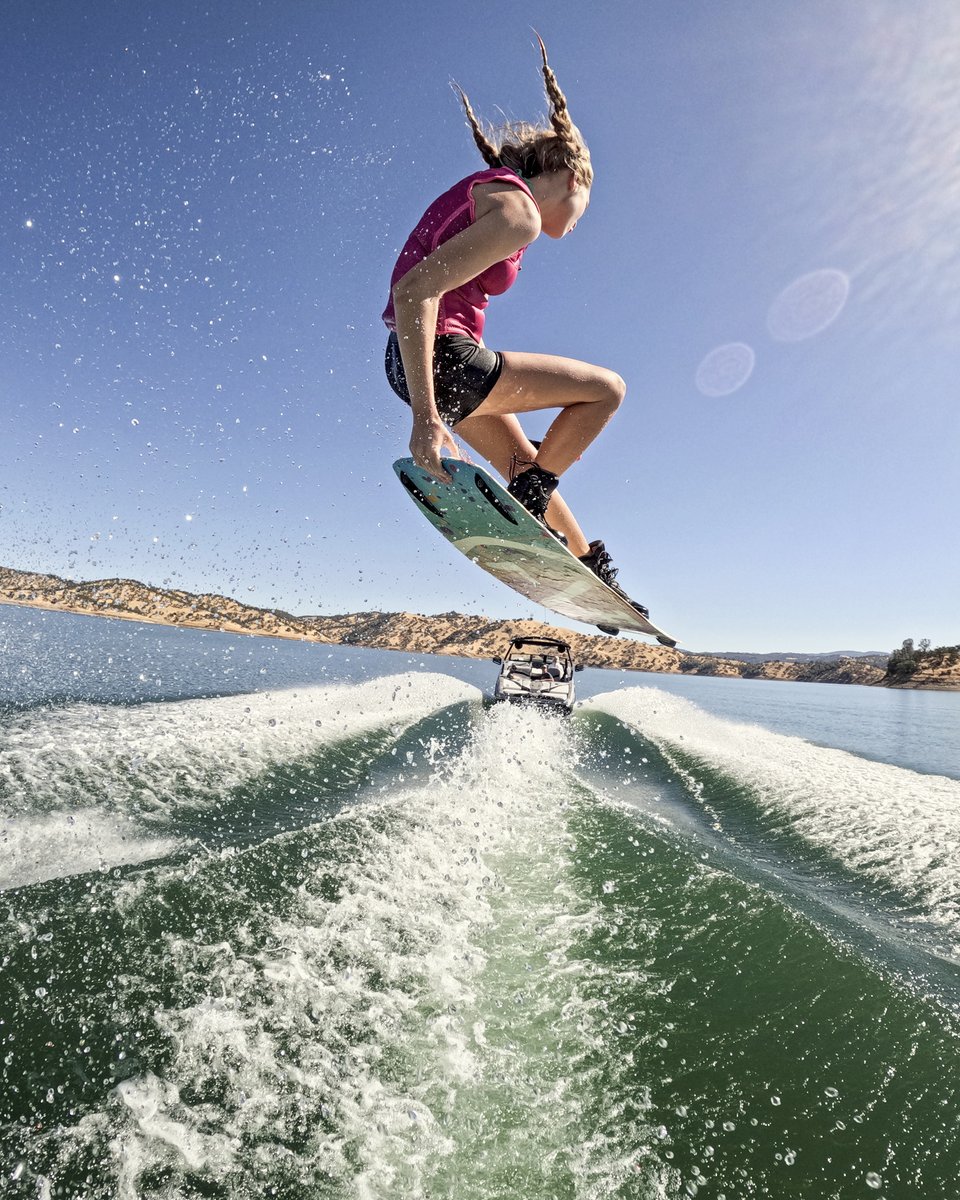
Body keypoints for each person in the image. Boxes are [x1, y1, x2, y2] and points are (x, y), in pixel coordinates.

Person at [383, 35, 647, 617]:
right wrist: (426, 419)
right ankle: (533, 496)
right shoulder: (518, 211)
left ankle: (587, 566)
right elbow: (412, 291)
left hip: (418, 364)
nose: (579, 223)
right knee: (607, 391)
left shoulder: (489, 197)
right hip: (442, 362)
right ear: (573, 179)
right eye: (587, 205)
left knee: (526, 464)